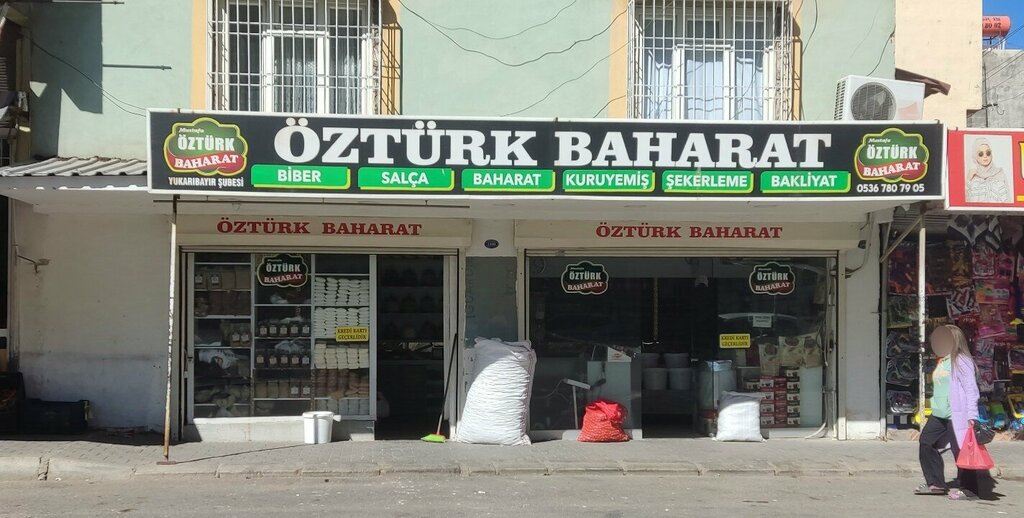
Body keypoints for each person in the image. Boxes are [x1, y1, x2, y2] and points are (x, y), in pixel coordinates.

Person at [915, 324, 990, 500]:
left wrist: (972, 415)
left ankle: (970, 490)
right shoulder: (944, 360)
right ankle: (935, 483)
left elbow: (971, 390)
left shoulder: (961, 360)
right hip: (939, 414)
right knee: (926, 442)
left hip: (956, 414)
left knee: (961, 450)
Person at [965, 137, 1012, 204]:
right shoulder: (972, 176)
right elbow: (965, 203)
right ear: (975, 156)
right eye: (980, 154)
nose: (985, 156)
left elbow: (1007, 201)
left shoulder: (1000, 174)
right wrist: (968, 180)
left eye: (988, 153)